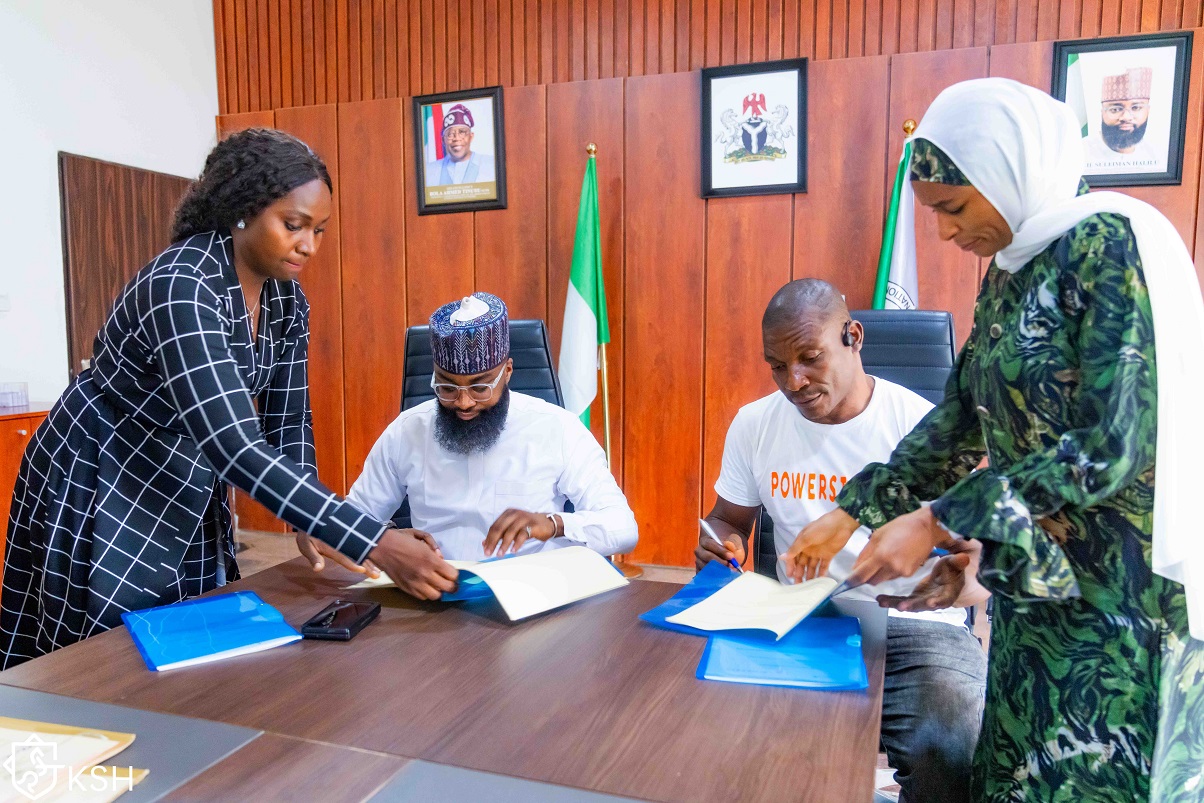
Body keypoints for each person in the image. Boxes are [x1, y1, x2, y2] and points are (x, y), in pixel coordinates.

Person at [788, 78, 1204, 801]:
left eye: (952, 208)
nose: (947, 234)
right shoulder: (1011, 270)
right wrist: (853, 507)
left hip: (1122, 609)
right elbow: (960, 417)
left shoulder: (1111, 245)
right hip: (1036, 584)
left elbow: (1115, 443)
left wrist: (938, 518)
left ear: (1008, 170)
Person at [1, 129, 458, 669]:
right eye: (293, 225)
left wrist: (310, 519)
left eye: (318, 230)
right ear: (242, 209)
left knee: (191, 641)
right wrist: (372, 540)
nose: (308, 245)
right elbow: (235, 446)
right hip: (105, 469)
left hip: (186, 476)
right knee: (101, 657)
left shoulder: (287, 301)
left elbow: (289, 425)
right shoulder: (183, 283)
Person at [696, 279, 988, 803]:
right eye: (777, 366)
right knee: (716, 731)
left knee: (953, 748)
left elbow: (980, 555)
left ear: (853, 336)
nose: (795, 381)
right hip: (803, 619)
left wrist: (968, 579)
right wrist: (722, 543)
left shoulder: (917, 428)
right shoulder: (755, 424)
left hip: (913, 626)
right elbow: (728, 520)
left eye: (810, 357)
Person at [345, 292, 637, 561]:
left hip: (532, 593)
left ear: (507, 372)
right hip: (434, 593)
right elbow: (353, 517)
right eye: (446, 387)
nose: (463, 402)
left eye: (480, 387)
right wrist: (386, 540)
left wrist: (554, 524)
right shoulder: (407, 431)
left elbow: (623, 528)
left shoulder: (559, 428)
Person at [1084, 67, 1160, 172]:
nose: (1126, 117)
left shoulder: (1158, 155)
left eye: (1136, 108)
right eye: (1115, 109)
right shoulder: (1080, 152)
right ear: (1102, 112)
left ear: (1148, 111)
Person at [425, 104, 496, 187]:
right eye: (450, 134)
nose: (457, 138)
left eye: (462, 132)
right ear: (443, 140)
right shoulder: (428, 171)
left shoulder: (491, 165)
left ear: (471, 136)